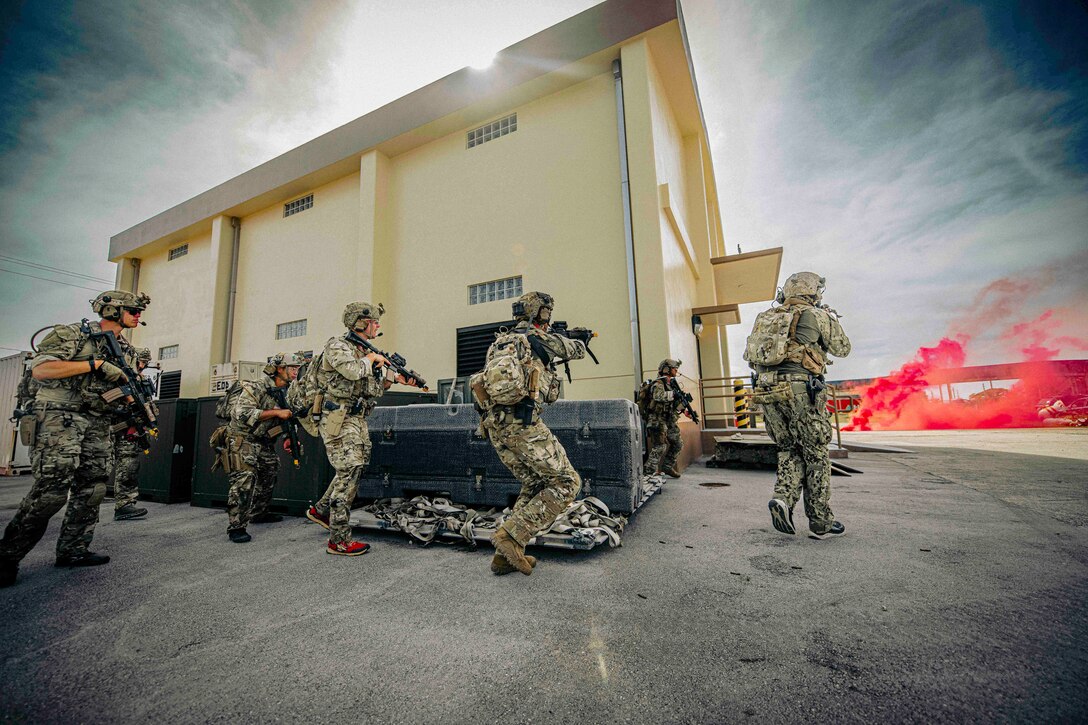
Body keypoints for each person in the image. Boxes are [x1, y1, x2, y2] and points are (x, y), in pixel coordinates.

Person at [0, 290, 150, 587]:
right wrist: (93, 365)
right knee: (51, 492)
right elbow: (42, 369)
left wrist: (135, 407)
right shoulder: (73, 334)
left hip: (97, 420)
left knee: (93, 487)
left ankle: (73, 549)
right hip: (60, 415)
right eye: (132, 309)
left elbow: (119, 391)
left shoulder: (127, 351)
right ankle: (7, 557)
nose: (138, 315)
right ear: (111, 310)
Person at [473, 291, 592, 576]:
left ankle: (505, 556)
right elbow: (576, 350)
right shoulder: (540, 339)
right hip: (524, 424)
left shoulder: (498, 344)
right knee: (567, 482)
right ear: (543, 313)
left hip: (496, 427)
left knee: (535, 483)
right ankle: (511, 537)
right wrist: (579, 338)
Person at [744, 272, 851, 539]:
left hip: (767, 389)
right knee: (815, 453)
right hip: (800, 389)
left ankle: (782, 498)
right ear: (813, 292)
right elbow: (842, 348)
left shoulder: (766, 318)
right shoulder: (817, 315)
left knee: (789, 448)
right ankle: (820, 522)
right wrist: (829, 317)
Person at [306, 302, 415, 556]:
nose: (377, 325)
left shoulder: (364, 350)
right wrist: (371, 359)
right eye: (374, 321)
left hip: (357, 418)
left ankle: (321, 510)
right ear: (360, 322)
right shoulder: (338, 346)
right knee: (349, 469)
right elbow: (353, 371)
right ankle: (339, 540)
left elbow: (372, 389)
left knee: (355, 467)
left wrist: (394, 378)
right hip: (337, 417)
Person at [224, 352, 303, 543]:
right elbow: (241, 413)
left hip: (263, 440)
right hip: (242, 438)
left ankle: (259, 512)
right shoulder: (257, 386)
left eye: (297, 369)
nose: (296, 373)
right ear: (279, 369)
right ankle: (236, 526)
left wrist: (287, 437)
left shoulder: (286, 390)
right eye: (292, 368)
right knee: (244, 479)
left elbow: (286, 418)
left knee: (271, 469)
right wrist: (276, 412)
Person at [112, 347, 154, 521]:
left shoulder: (141, 380)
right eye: (141, 362)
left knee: (129, 465)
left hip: (131, 429)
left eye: (146, 363)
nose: (143, 366)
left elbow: (147, 403)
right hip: (111, 425)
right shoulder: (118, 377)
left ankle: (124, 504)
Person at [644, 358, 691, 478]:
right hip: (657, 420)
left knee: (677, 443)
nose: (676, 371)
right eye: (675, 369)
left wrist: (684, 409)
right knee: (660, 446)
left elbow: (673, 404)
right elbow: (658, 396)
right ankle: (648, 472)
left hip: (668, 419)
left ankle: (667, 467)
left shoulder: (671, 385)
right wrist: (674, 395)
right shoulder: (658, 383)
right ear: (667, 369)